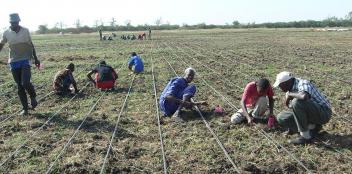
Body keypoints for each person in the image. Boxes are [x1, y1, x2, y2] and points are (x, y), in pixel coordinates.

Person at [274, 71, 332, 145]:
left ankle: (305, 137)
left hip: (323, 113)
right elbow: (296, 110)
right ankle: (312, 127)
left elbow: (304, 96)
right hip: (311, 114)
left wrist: (290, 95)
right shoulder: (289, 90)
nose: (279, 88)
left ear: (286, 83)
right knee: (281, 117)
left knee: (297, 101)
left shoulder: (303, 83)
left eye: (280, 85)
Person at [0, 13, 40, 115]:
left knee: (25, 82)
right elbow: (1, 44)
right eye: (12, 22)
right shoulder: (6, 33)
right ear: (10, 23)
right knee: (20, 86)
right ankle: (25, 109)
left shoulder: (25, 31)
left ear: (19, 22)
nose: (14, 24)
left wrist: (36, 58)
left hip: (26, 59)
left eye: (16, 22)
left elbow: (31, 45)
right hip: (13, 61)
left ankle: (33, 96)